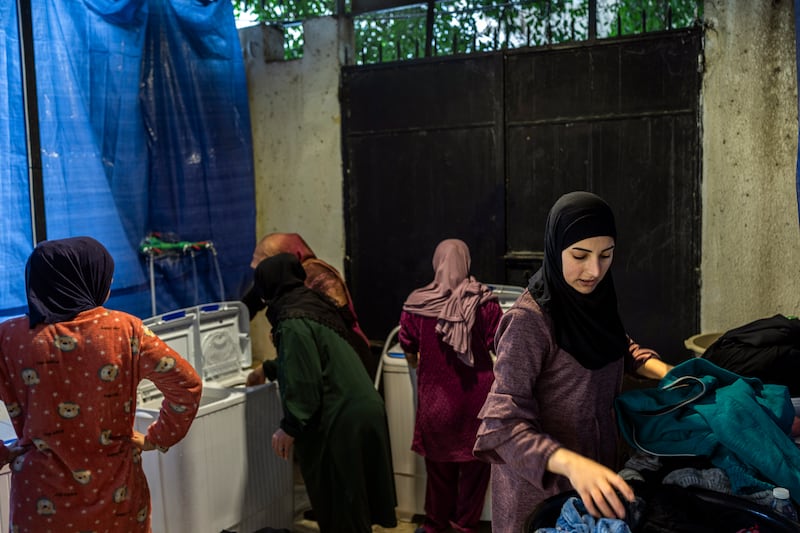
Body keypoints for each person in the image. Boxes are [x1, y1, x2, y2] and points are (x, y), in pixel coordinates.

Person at [472, 191, 673, 533]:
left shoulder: (596, 300)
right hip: (539, 493)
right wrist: (572, 465)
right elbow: (501, 425)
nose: (594, 270)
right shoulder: (529, 322)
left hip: (593, 483)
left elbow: (617, 348)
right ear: (555, 249)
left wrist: (673, 375)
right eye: (579, 255)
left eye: (606, 255)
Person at [0, 236, 203, 533]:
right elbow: (186, 385)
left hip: (40, 497)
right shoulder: (126, 330)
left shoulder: (9, 337)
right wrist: (157, 437)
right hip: (116, 494)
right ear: (89, 280)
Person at [246, 253, 398, 533]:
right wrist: (268, 368)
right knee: (354, 505)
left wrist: (289, 427)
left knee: (342, 509)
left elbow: (304, 380)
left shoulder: (291, 320)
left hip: (341, 420)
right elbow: (313, 358)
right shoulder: (314, 305)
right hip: (363, 410)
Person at [398, 238, 502, 533]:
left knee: (439, 474)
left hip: (436, 405)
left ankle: (434, 526)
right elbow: (501, 345)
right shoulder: (486, 302)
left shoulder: (417, 304)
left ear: (437, 262)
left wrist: (424, 361)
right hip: (478, 404)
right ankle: (465, 527)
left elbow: (407, 346)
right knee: (474, 473)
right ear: (467, 261)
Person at [240, 232, 376, 379]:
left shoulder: (316, 276)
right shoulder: (284, 280)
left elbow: (332, 329)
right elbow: (251, 303)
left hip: (347, 361)